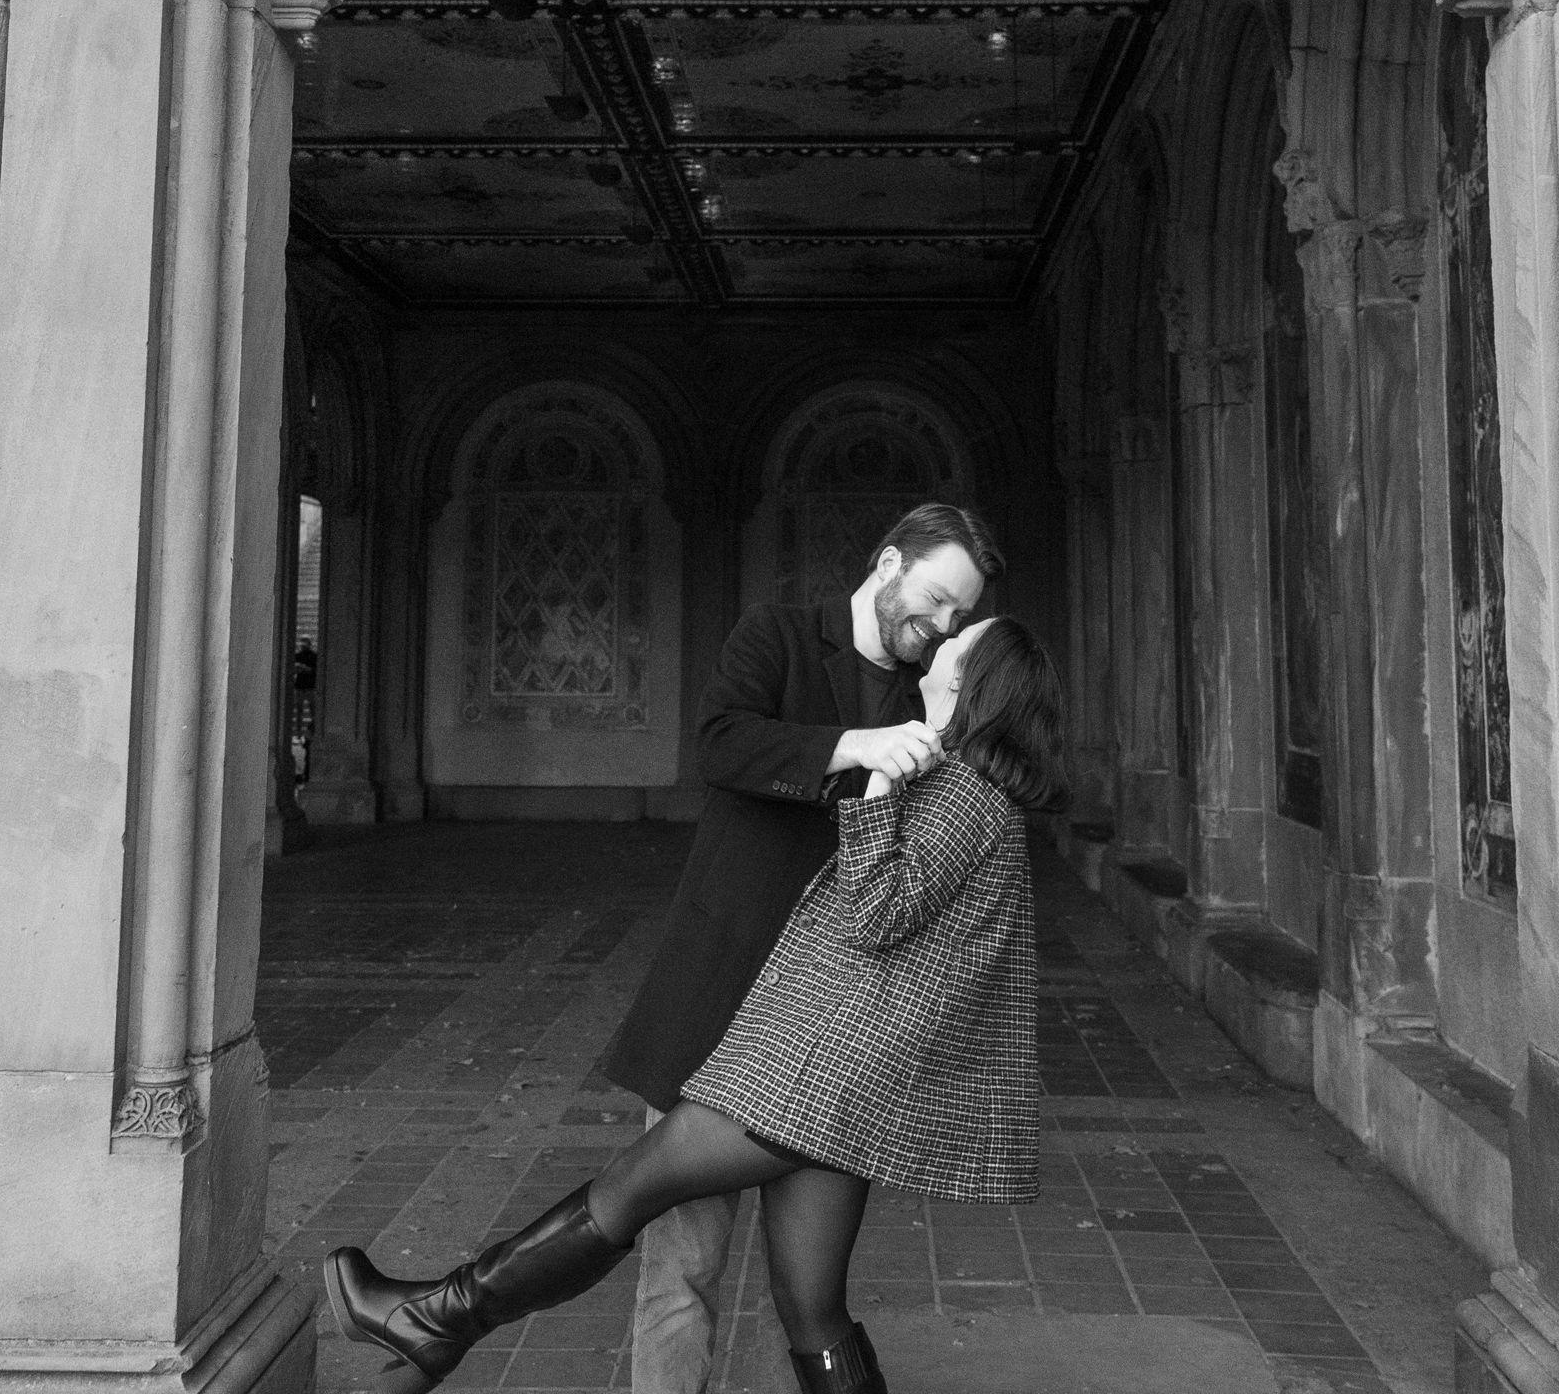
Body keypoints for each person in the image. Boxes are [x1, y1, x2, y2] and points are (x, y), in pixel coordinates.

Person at [325, 614, 1069, 1394]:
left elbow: (876, 912)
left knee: (628, 1192)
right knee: (812, 1309)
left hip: (818, 1078)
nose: (943, 642)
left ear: (972, 680)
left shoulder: (964, 792)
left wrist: (879, 788)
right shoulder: (963, 785)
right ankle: (433, 1326)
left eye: (961, 640)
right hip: (837, 1082)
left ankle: (438, 1319)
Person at [604, 502, 1002, 1394]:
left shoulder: (934, 695)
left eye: (960, 615)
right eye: (936, 598)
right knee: (681, 1270)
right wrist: (856, 746)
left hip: (835, 1032)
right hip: (722, 998)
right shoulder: (776, 635)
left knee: (811, 1296)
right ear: (889, 562)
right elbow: (720, 744)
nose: (942, 626)